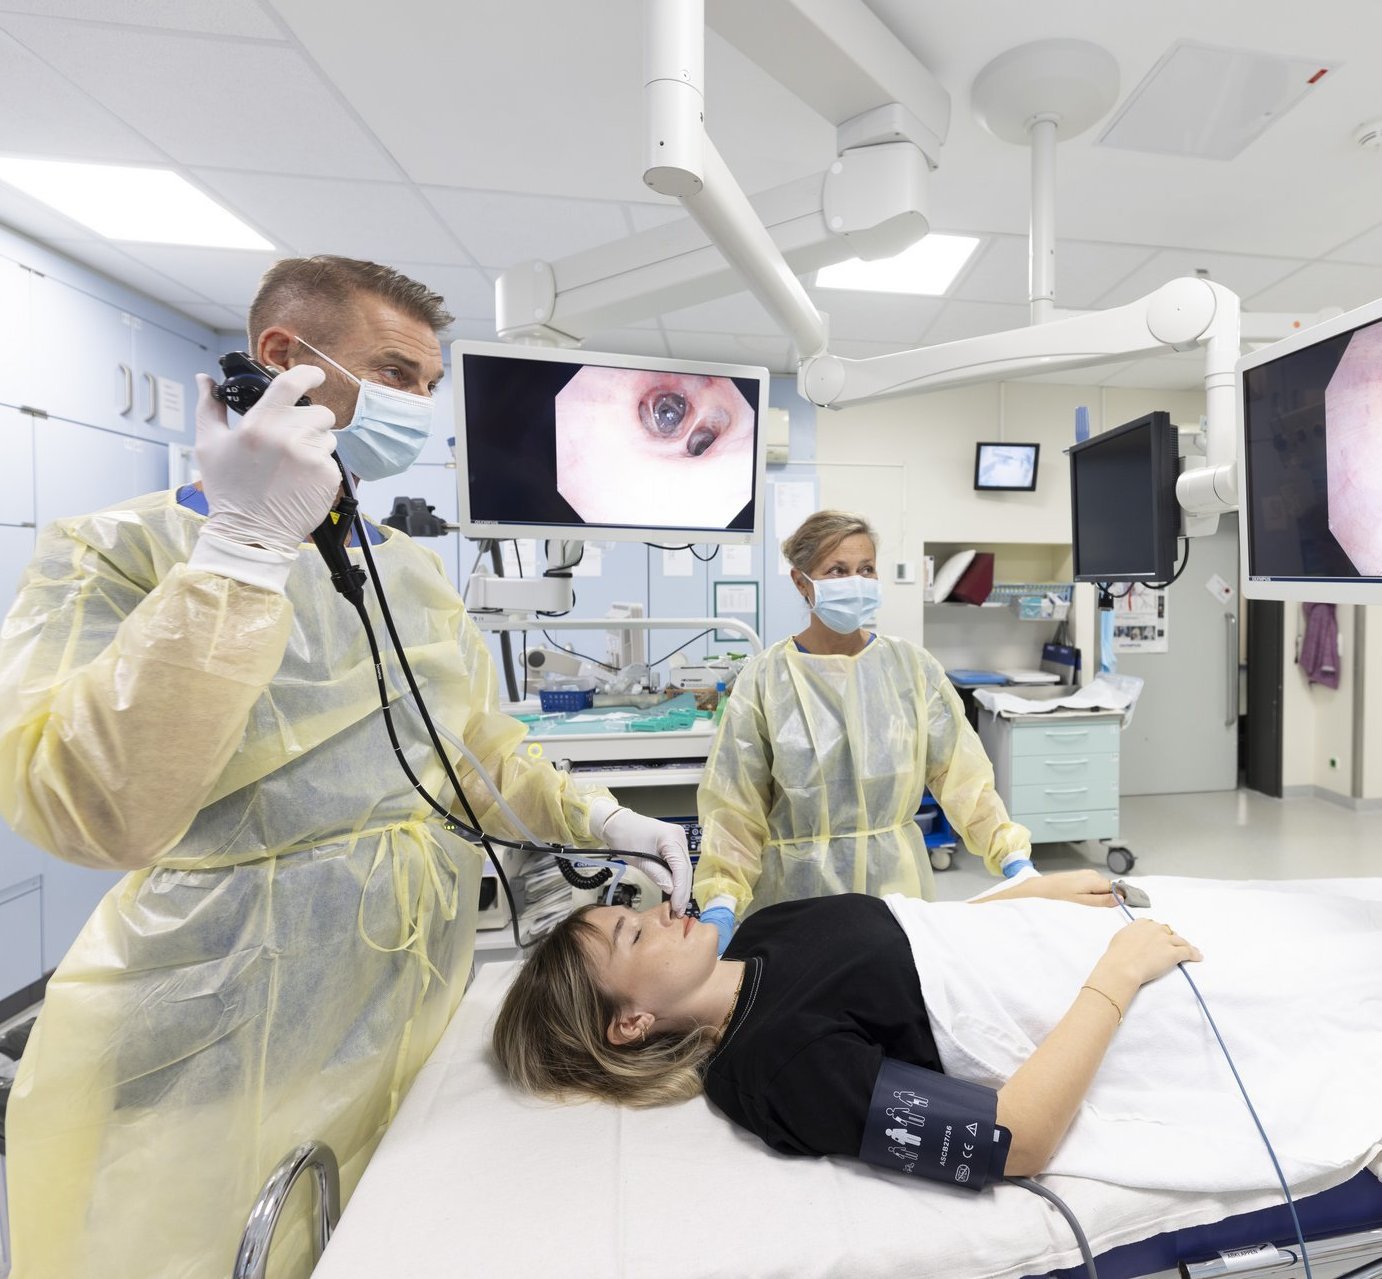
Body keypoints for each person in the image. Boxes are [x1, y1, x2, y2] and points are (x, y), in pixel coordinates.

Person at [0, 255, 692, 1279]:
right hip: (215, 1006)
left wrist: (600, 820)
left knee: (381, 1232)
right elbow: (87, 809)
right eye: (395, 371)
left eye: (425, 383)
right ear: (281, 359)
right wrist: (240, 550)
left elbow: (477, 749)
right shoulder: (119, 552)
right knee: (205, 1247)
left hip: (406, 987)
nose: (415, 404)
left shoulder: (399, 570)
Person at [493, 872, 1382, 1192]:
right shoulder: (771, 1068)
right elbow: (1013, 1139)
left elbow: (912, 933)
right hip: (1114, 997)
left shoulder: (764, 929)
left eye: (637, 907)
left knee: (1318, 914)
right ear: (630, 1022)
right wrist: (1115, 976)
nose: (661, 910)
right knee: (1336, 989)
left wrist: (1021, 897)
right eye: (634, 932)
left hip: (1068, 939)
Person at [694, 510, 1033, 953]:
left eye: (866, 569)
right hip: (796, 896)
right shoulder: (765, 680)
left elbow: (960, 774)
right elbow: (736, 805)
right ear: (802, 583)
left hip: (895, 890)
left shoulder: (911, 669)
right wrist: (721, 900)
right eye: (837, 571)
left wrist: (1011, 855)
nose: (855, 582)